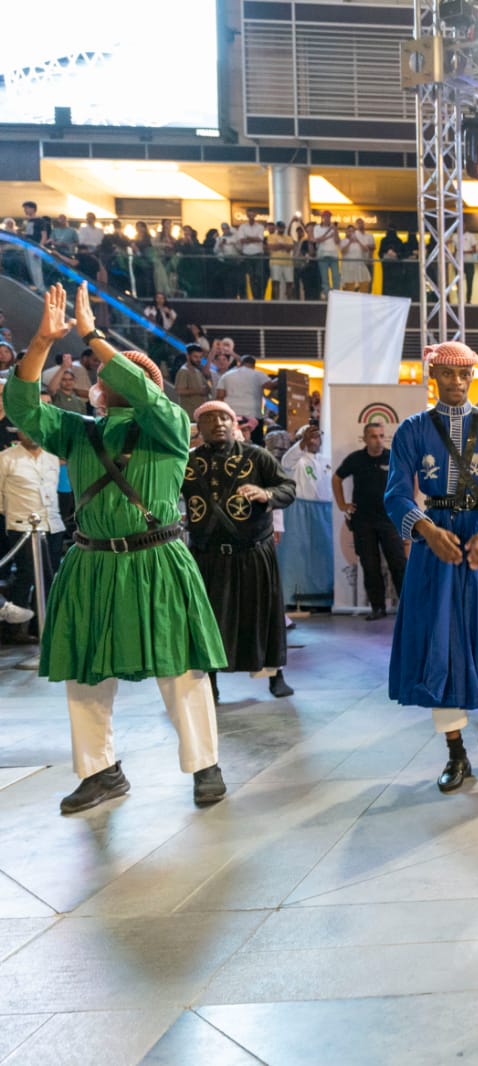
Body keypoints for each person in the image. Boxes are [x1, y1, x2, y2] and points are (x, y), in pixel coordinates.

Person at [5, 283, 227, 813]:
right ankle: (100, 771)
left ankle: (205, 766)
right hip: (92, 561)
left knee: (181, 666)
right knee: (85, 668)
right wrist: (41, 343)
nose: (100, 380)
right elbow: (21, 405)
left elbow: (145, 392)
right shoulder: (78, 431)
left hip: (158, 557)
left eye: (109, 373)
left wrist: (93, 335)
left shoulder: (169, 426)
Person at [385, 341, 478, 792]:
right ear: (433, 376)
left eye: (464, 374)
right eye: (448, 374)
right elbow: (396, 494)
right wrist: (426, 530)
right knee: (439, 643)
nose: (456, 382)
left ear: (472, 377)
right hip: (435, 546)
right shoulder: (411, 430)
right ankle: (455, 753)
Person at [185, 401, 297, 700]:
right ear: (199, 427)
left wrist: (266, 493)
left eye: (224, 417)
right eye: (210, 418)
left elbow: (288, 489)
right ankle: (209, 683)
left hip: (253, 552)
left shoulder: (256, 456)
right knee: (207, 619)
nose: (218, 423)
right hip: (207, 554)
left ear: (233, 423)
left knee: (263, 616)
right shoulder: (188, 462)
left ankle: (275, 676)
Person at [334, 422, 406, 619]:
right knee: (370, 565)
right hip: (363, 521)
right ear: (365, 439)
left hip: (389, 519)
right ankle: (378, 608)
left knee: (399, 563)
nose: (378, 440)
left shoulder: (393, 457)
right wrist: (342, 504)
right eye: (373, 436)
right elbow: (337, 478)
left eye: (381, 436)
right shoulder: (356, 459)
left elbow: (411, 477)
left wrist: (406, 502)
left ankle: (408, 607)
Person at [0, 427, 67, 631]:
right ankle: (14, 628)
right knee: (28, 572)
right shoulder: (6, 458)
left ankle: (39, 627)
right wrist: (12, 513)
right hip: (22, 525)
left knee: (50, 574)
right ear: (19, 433)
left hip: (52, 524)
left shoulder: (51, 457)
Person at [279, 423, 335, 607]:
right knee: (298, 554)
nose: (314, 441)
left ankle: (322, 599)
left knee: (322, 554)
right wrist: (302, 443)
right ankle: (294, 597)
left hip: (324, 512)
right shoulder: (295, 460)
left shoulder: (327, 460)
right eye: (310, 437)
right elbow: (287, 461)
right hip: (299, 511)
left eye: (317, 437)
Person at [174, 344, 212, 417]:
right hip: (190, 414)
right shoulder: (184, 371)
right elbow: (179, 390)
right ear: (188, 356)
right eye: (195, 357)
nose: (198, 360)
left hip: (199, 413)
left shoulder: (197, 370)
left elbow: (205, 386)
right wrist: (199, 391)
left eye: (200, 357)